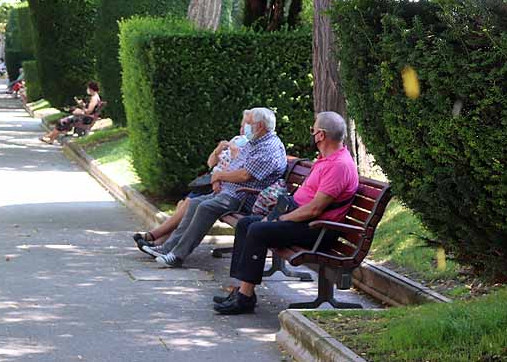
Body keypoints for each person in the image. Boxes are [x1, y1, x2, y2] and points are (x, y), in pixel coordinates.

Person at [213, 111, 359, 315]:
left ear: (321, 135)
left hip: (317, 229)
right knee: (247, 224)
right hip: (300, 217)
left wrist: (281, 218)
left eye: (313, 129)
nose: (312, 134)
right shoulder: (327, 159)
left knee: (257, 230)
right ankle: (240, 290)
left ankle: (245, 298)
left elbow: (315, 209)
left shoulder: (339, 166)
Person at [141, 107, 286, 268]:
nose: (245, 127)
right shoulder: (256, 142)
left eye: (249, 123)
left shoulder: (268, 148)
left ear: (259, 126)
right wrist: (219, 179)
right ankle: (168, 247)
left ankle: (177, 255)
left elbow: (245, 175)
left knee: (206, 207)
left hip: (243, 197)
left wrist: (219, 176)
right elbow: (235, 165)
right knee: (195, 203)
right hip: (230, 191)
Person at [134, 110, 253, 251]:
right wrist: (218, 150)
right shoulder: (235, 140)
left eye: (245, 126)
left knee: (188, 204)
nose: (241, 129)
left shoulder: (248, 146)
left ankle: (156, 238)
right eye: (241, 126)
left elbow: (235, 171)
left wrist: (219, 176)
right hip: (212, 183)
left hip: (221, 186)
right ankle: (161, 243)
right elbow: (210, 163)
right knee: (182, 204)